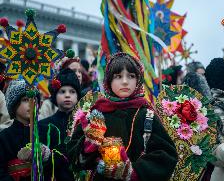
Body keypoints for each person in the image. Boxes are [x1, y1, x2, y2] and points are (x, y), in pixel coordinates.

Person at [68, 52, 178, 181]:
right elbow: (74, 157)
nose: (125, 82)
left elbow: (166, 155)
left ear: (138, 80)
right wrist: (88, 146)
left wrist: (133, 172)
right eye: (118, 76)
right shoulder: (96, 114)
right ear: (109, 80)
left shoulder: (146, 115)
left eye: (131, 76)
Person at [39, 68, 81, 180]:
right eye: (62, 91)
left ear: (78, 96)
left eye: (72, 91)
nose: (67, 95)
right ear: (54, 96)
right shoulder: (44, 126)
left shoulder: (85, 124)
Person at [0, 79, 45, 181]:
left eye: (35, 99)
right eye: (25, 99)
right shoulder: (4, 138)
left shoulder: (48, 131)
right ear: (14, 105)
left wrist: (46, 155)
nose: (31, 103)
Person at [39, 50, 82, 120]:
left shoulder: (87, 100)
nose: (78, 75)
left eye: (80, 71)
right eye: (73, 71)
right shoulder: (49, 105)